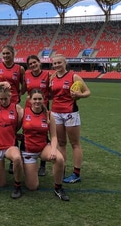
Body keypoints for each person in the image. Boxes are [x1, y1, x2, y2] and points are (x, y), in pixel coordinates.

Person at [50, 54, 91, 184]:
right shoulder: (52, 77)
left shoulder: (73, 76)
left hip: (70, 112)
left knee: (75, 144)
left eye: (59, 63)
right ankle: (61, 170)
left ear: (65, 63)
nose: (57, 65)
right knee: (61, 143)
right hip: (56, 112)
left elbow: (87, 92)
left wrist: (79, 95)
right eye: (55, 63)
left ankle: (76, 173)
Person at [22, 88, 69, 201]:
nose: (37, 101)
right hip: (28, 150)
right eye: (35, 99)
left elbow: (53, 136)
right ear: (30, 100)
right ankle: (32, 169)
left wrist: (53, 149)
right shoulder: (23, 112)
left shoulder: (48, 115)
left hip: (43, 148)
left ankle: (58, 188)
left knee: (59, 159)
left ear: (43, 99)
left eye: (39, 99)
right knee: (32, 187)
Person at [0, 81, 24, 199]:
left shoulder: (17, 108)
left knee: (17, 158)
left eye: (5, 99)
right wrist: (3, 83)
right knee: (1, 184)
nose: (3, 101)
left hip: (9, 145)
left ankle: (17, 186)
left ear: (10, 96)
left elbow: (19, 125)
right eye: (1, 99)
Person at [25, 54, 51, 176]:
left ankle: (42, 164)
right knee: (26, 131)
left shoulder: (47, 75)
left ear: (39, 62)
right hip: (29, 108)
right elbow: (24, 89)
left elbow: (51, 92)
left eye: (35, 62)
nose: (33, 65)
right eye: (30, 64)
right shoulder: (26, 75)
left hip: (43, 108)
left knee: (43, 133)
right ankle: (22, 158)